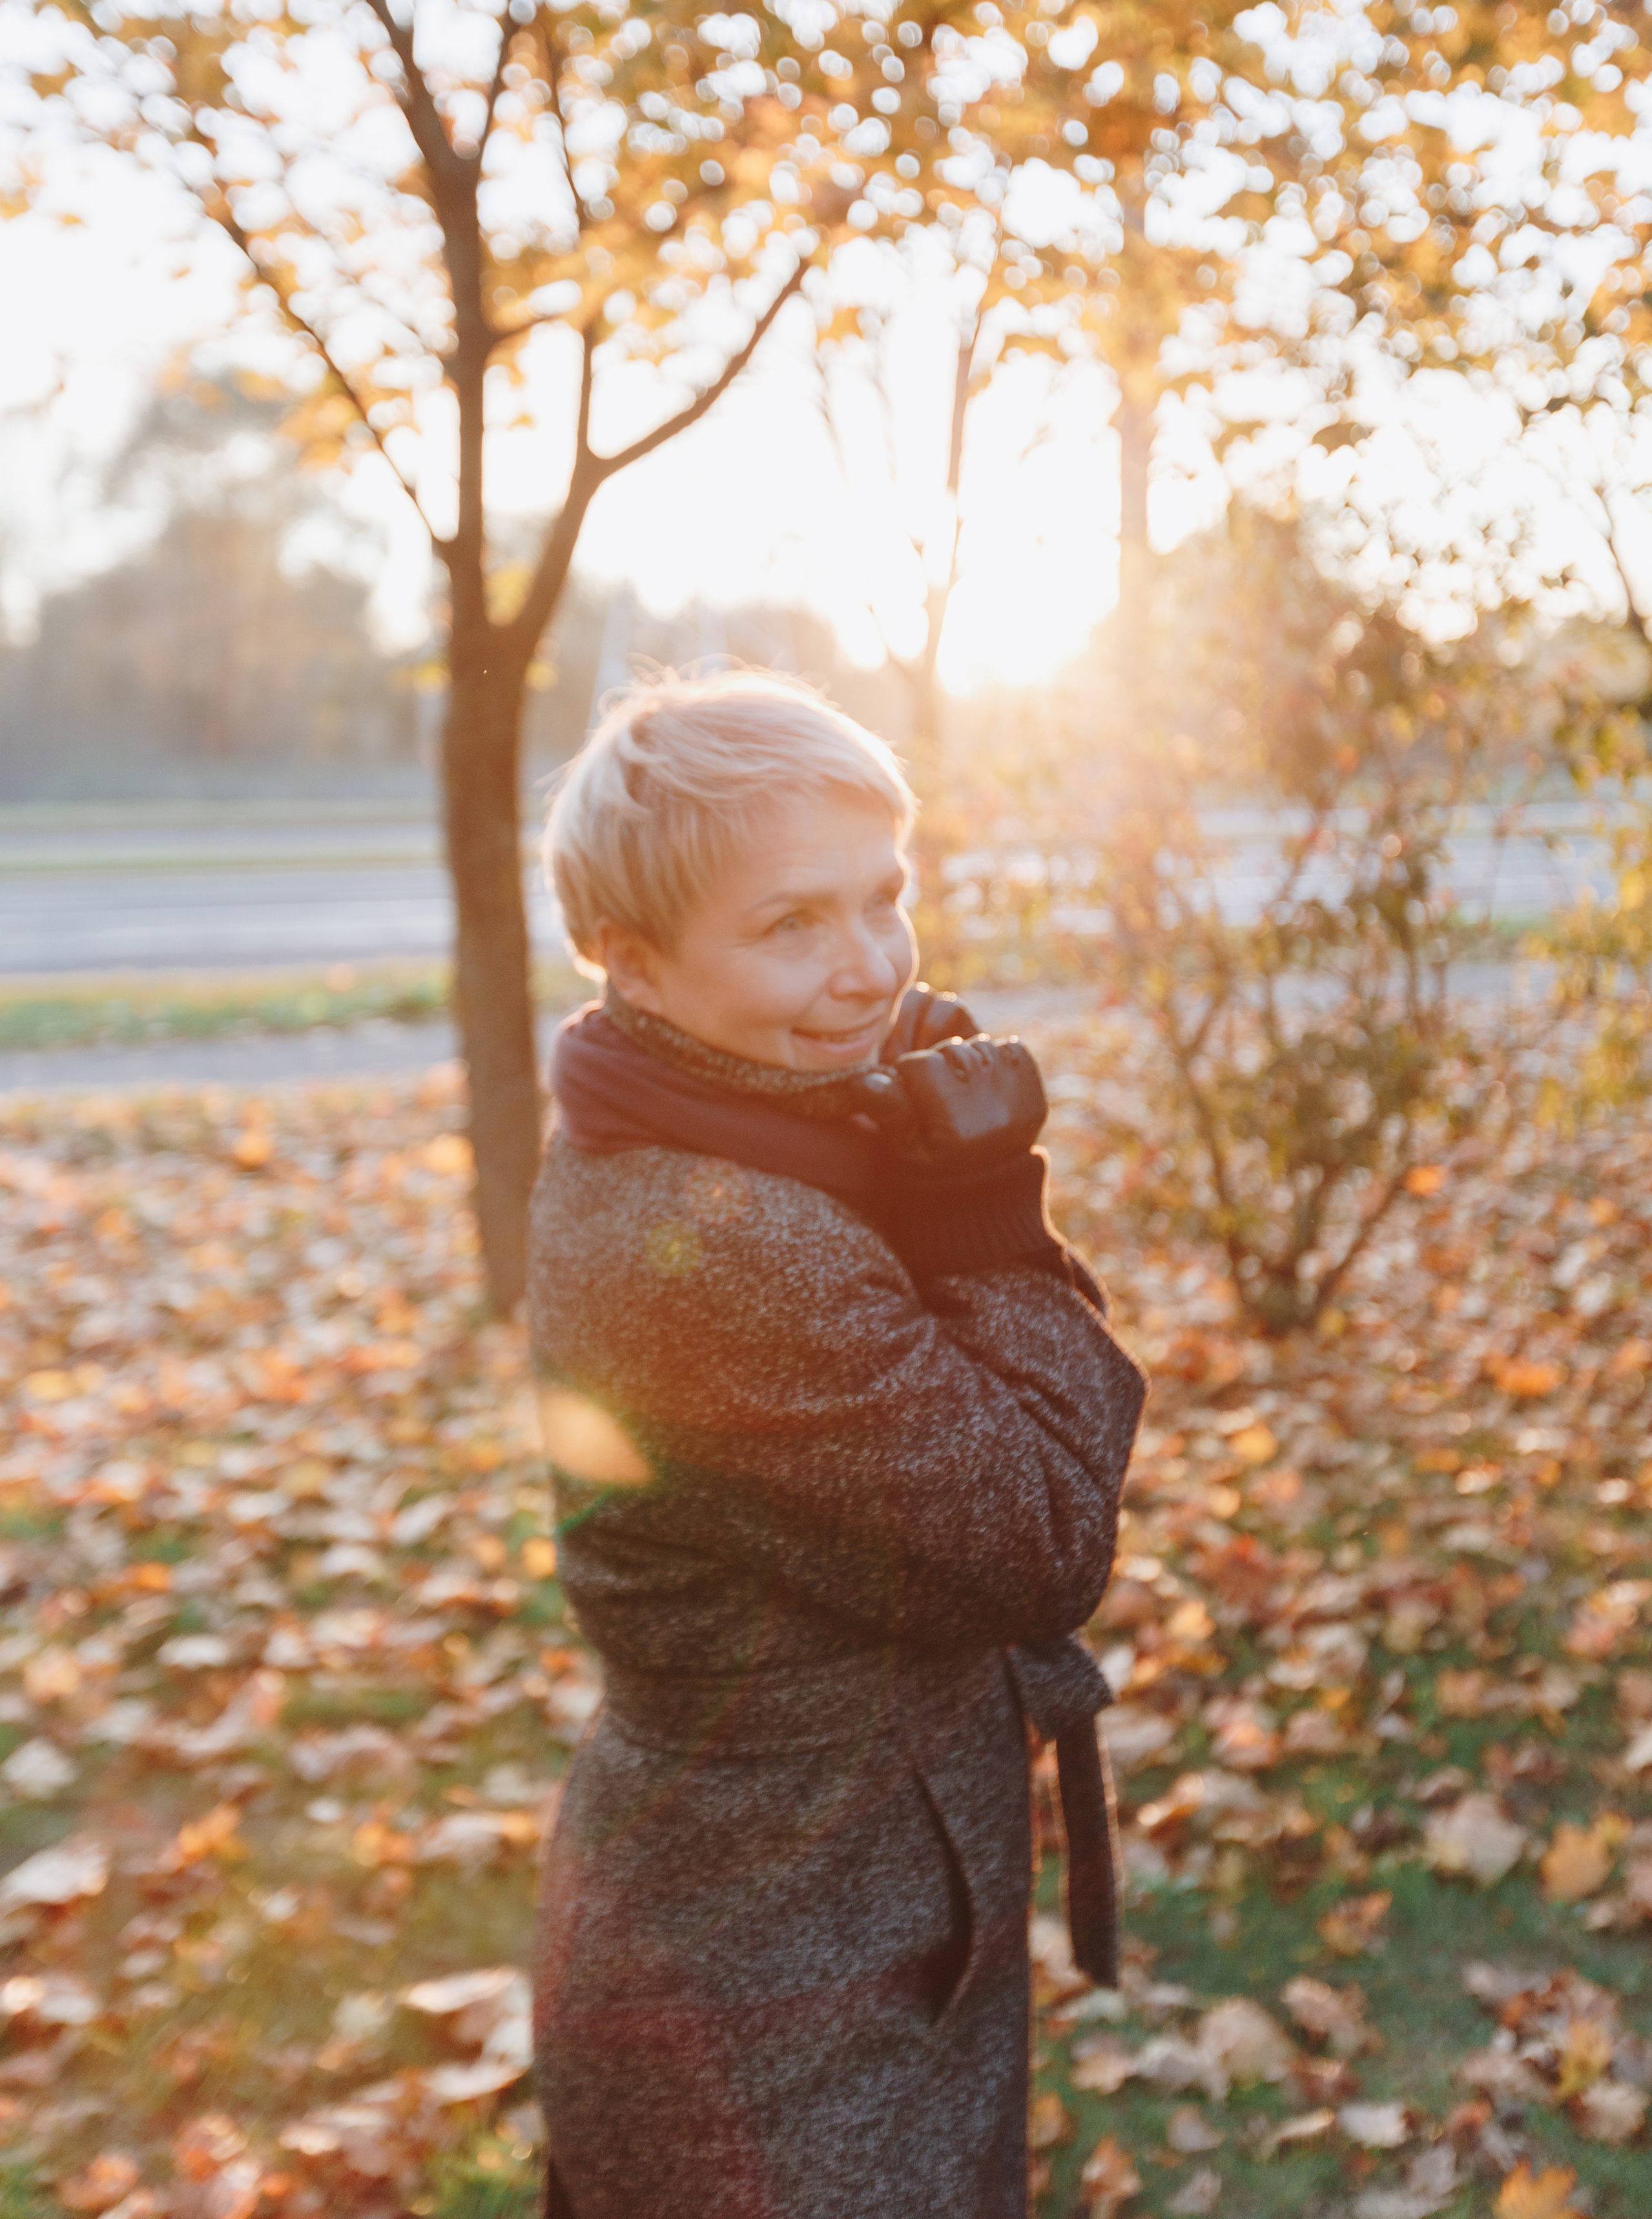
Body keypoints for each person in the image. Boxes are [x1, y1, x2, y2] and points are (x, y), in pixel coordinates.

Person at [526, 671, 1146, 2219]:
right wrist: (987, 1220)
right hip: (779, 1996)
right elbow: (1042, 1538)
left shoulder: (739, 1129)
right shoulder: (718, 1243)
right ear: (632, 959)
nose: (867, 966)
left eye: (884, 898)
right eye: (790, 924)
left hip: (830, 1906)